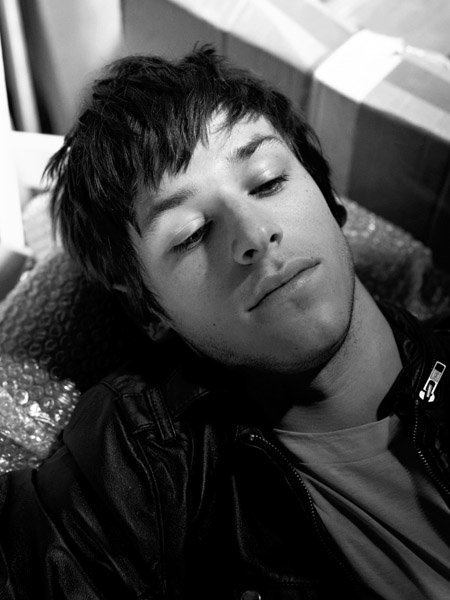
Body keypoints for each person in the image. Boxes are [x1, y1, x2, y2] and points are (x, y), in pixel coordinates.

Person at [1, 46, 450, 600]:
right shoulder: (145, 463)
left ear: (327, 196)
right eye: (191, 234)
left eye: (266, 182)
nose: (254, 234)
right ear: (151, 308)